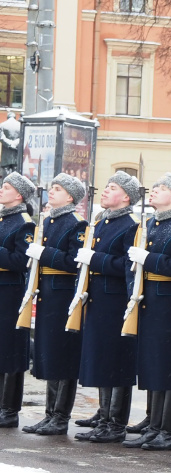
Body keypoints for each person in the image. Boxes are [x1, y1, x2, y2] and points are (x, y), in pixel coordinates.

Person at [121, 174, 171, 452]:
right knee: (154, 365)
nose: (153, 191)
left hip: (170, 305)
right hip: (149, 300)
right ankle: (154, 427)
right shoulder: (151, 224)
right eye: (154, 187)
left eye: (162, 188)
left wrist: (149, 259)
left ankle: (168, 432)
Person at [73, 173, 143, 443]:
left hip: (116, 301)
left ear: (126, 196)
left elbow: (128, 266)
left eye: (112, 188)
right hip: (98, 299)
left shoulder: (130, 225)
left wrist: (95, 259)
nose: (104, 191)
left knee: (117, 362)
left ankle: (116, 424)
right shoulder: (102, 221)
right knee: (102, 359)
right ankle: (104, 418)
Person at [21, 174, 88, 435]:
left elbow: (74, 261)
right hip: (48, 293)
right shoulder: (49, 220)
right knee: (50, 354)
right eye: (52, 188)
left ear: (70, 197)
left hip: (64, 295)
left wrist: (45, 253)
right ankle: (50, 413)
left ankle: (60, 417)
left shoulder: (76, 223)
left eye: (58, 189)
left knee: (64, 355)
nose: (52, 192)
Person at [0, 172, 34, 428]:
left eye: (7, 187)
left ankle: (9, 409)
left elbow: (23, 261)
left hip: (10, 292)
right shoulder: (3, 218)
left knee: (10, 349)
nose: (1, 190)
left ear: (19, 195)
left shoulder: (24, 223)